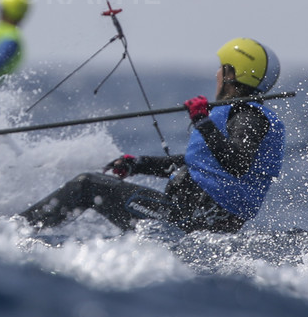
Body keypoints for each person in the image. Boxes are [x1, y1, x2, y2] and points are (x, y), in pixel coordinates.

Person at [19, 38, 285, 234]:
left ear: (230, 73)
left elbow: (236, 163)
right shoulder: (242, 115)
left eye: (221, 68)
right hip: (193, 218)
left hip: (188, 220)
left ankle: (13, 231)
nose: (216, 74)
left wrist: (202, 121)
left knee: (88, 186)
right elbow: (202, 166)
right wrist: (139, 164)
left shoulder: (249, 117)